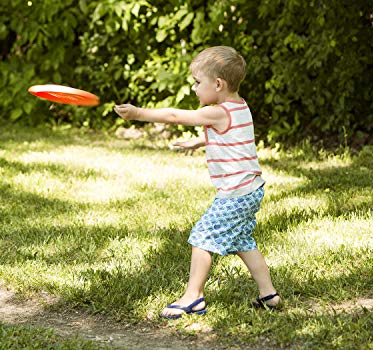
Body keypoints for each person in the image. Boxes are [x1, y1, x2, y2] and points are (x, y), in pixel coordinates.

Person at [114, 46, 281, 319]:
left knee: (202, 236)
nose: (193, 88)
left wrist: (137, 114)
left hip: (236, 193)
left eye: (197, 82)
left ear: (218, 84)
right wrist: (199, 140)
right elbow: (231, 136)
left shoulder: (217, 112)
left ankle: (193, 297)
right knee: (241, 240)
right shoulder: (241, 106)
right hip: (252, 189)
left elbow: (174, 116)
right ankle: (268, 294)